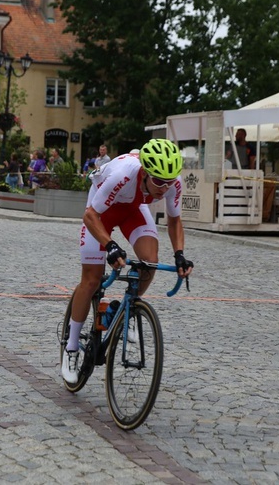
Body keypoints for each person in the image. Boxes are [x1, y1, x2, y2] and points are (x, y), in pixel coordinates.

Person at [61, 138, 194, 384]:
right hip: (101, 212)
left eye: (168, 182)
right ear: (144, 172)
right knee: (90, 281)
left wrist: (179, 254)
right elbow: (90, 215)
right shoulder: (122, 174)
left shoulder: (171, 182)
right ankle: (71, 348)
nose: (164, 188)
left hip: (132, 210)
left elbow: (175, 221)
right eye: (158, 182)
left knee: (149, 261)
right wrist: (110, 245)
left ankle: (126, 310)